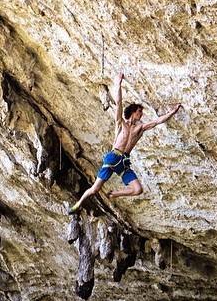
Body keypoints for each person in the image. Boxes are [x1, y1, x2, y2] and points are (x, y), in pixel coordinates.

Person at [68, 71, 181, 214]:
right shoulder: (121, 124)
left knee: (138, 189)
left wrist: (173, 112)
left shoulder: (140, 128)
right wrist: (118, 84)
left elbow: (158, 121)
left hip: (123, 162)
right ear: (133, 112)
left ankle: (114, 194)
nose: (142, 114)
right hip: (113, 156)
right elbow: (119, 103)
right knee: (95, 189)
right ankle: (78, 204)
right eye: (140, 111)